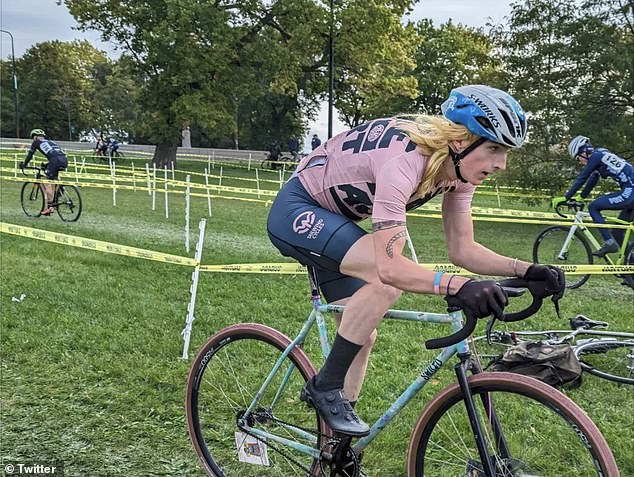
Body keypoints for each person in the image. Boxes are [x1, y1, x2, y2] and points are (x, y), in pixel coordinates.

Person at [266, 85, 565, 436]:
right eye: (494, 149)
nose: (501, 164)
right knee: (384, 283)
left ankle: (337, 450)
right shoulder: (406, 159)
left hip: (338, 222)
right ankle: (324, 386)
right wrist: (459, 285)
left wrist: (526, 270)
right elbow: (390, 267)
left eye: (506, 152)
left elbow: (463, 249)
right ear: (459, 141)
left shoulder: (459, 171)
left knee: (363, 334)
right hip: (298, 210)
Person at [556, 136, 634, 257]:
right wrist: (581, 197)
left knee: (593, 207)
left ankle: (609, 243)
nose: (580, 162)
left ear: (584, 152)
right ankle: (630, 267)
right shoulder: (601, 153)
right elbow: (593, 179)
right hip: (630, 192)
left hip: (630, 191)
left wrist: (566, 197)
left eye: (578, 159)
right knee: (617, 233)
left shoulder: (596, 156)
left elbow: (582, 177)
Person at [19, 129, 69, 216]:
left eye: (32, 137)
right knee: (54, 178)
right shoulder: (50, 142)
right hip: (64, 159)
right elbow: (55, 153)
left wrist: (24, 164)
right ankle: (60, 191)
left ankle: (50, 207)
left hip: (55, 160)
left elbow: (30, 155)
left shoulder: (36, 142)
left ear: (35, 136)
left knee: (47, 182)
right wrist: (47, 164)